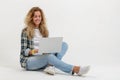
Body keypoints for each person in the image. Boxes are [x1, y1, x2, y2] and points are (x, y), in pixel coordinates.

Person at [20, 6, 90, 76]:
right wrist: (34, 51)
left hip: (43, 56)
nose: (38, 18)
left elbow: (45, 46)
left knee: (64, 45)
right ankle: (75, 69)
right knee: (49, 56)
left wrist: (48, 48)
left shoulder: (44, 31)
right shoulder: (25, 31)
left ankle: (50, 66)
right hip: (30, 61)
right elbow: (24, 51)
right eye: (35, 16)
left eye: (39, 16)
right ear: (31, 18)